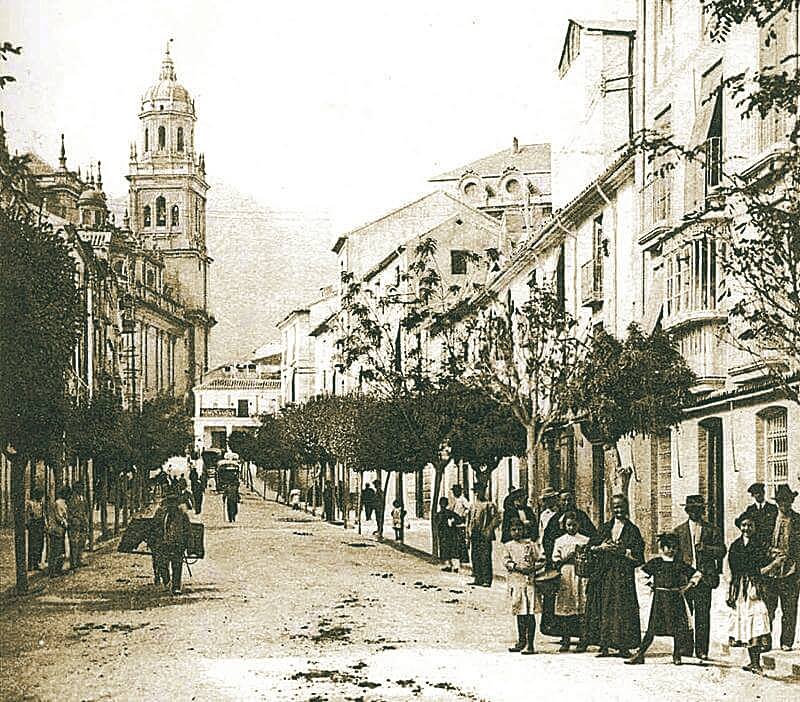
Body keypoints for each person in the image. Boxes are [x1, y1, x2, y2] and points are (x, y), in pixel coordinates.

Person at [626, 533, 702, 666]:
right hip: (660, 600)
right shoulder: (656, 563)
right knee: (652, 629)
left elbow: (696, 574)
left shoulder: (679, 564)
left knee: (678, 629)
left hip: (676, 599)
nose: (671, 550)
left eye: (674, 547)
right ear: (662, 548)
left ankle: (677, 655)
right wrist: (651, 585)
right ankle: (640, 654)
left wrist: (687, 587)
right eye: (668, 547)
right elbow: (641, 575)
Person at [586, 494, 644, 658]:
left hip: (623, 575)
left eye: (621, 507)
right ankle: (604, 645)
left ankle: (623, 646)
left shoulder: (633, 530)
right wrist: (602, 547)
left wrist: (624, 552)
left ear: (626, 508)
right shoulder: (605, 528)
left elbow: (639, 556)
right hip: (605, 573)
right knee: (604, 608)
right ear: (612, 509)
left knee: (623, 608)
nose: (618, 510)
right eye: (615, 507)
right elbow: (591, 546)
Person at [673, 494, 727, 660]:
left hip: (704, 578)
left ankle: (702, 650)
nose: (695, 512)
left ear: (702, 510)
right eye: (692, 509)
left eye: (698, 509)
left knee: (703, 615)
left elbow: (722, 551)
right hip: (685, 580)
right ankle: (686, 648)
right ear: (687, 510)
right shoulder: (678, 531)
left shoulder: (711, 529)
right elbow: (675, 557)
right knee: (685, 614)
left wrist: (706, 548)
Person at [727, 514, 772, 674]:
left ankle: (756, 662)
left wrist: (760, 575)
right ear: (740, 527)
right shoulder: (735, 546)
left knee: (757, 621)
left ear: (755, 527)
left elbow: (765, 565)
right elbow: (731, 570)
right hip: (740, 589)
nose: (746, 528)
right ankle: (753, 662)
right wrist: (731, 591)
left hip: (756, 588)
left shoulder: (761, 545)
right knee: (746, 624)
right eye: (744, 525)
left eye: (750, 525)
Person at [762, 483, 800, 651]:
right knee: (768, 609)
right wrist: (770, 552)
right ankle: (766, 641)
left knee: (789, 609)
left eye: (788, 501)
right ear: (777, 503)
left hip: (791, 572)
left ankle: (786, 642)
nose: (784, 504)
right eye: (781, 501)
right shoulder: (769, 519)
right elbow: (760, 542)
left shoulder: (798, 520)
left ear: (791, 502)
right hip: (771, 571)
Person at [502, 519, 545, 654]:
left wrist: (533, 568)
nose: (517, 532)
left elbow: (542, 559)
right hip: (516, 582)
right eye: (514, 530)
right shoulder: (508, 546)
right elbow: (506, 561)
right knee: (520, 613)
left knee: (530, 613)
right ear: (510, 531)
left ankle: (530, 644)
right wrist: (517, 567)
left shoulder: (530, 545)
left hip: (529, 583)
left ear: (524, 530)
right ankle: (521, 641)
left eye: (519, 529)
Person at [552, 513, 591, 651]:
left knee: (581, 606)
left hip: (580, 575)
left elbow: (589, 558)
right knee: (565, 607)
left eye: (574, 525)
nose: (571, 527)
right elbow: (555, 560)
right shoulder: (560, 540)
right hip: (566, 575)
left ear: (579, 525)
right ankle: (565, 639)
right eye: (569, 525)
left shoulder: (585, 540)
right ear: (564, 526)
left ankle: (583, 640)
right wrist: (566, 558)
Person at [151, 489, 191, 595]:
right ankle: (167, 581)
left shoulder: (182, 515)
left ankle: (176, 586)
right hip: (163, 543)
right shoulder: (160, 514)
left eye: (174, 502)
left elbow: (188, 530)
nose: (172, 505)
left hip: (177, 544)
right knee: (162, 564)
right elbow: (154, 527)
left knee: (177, 565)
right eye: (169, 502)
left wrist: (187, 544)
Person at [468, 484, 499, 587]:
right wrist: (468, 531)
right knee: (475, 556)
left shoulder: (489, 505)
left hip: (484, 534)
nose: (478, 493)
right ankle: (478, 577)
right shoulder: (473, 505)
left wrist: (489, 529)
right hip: (475, 534)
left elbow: (496, 519)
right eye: (476, 491)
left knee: (485, 557)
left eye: (480, 490)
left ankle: (486, 579)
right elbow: (469, 519)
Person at [46, 486, 69, 577]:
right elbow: (59, 517)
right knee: (55, 550)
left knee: (60, 550)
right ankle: (52, 571)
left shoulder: (63, 503)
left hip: (60, 530)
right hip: (56, 530)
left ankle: (57, 569)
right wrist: (66, 523)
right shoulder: (59, 503)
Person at [66, 481, 89, 569]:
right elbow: (70, 512)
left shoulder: (83, 498)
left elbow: (85, 510)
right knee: (74, 543)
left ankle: (79, 560)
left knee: (82, 542)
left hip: (82, 523)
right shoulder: (71, 499)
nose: (81, 490)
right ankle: (73, 563)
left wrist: (85, 519)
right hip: (75, 523)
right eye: (79, 488)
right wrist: (73, 519)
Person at [436, 496, 461, 572]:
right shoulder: (439, 514)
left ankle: (454, 566)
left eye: (444, 504)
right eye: (441, 504)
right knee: (446, 550)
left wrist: (452, 522)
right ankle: (449, 565)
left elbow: (459, 519)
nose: (442, 505)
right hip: (445, 535)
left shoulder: (449, 513)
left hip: (450, 534)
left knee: (450, 550)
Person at [25, 486, 45, 571]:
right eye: (39, 495)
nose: (40, 497)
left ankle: (36, 563)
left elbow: (43, 514)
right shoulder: (30, 503)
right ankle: (30, 564)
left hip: (40, 524)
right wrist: (28, 524)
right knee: (32, 544)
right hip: (33, 524)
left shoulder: (41, 503)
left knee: (40, 544)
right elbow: (28, 514)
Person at [449, 484, 470, 564]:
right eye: (454, 491)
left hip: (460, 523)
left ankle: (463, 558)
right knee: (455, 541)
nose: (454, 492)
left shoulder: (463, 499)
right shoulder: (454, 499)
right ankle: (457, 557)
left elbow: (468, 508)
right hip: (454, 522)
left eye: (456, 491)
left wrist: (463, 514)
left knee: (461, 541)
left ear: (459, 491)